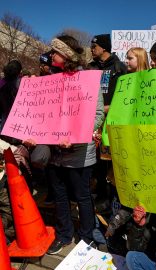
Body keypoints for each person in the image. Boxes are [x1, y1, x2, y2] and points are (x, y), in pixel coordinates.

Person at [38, 34, 105, 255]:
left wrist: (75, 136)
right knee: (59, 195)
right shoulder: (50, 80)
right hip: (55, 152)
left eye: (55, 51)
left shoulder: (87, 79)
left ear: (66, 55)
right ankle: (64, 234)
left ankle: (87, 236)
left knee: (83, 196)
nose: (51, 55)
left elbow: (96, 115)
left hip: (78, 153)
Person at [87, 34, 127, 211]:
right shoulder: (90, 67)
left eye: (94, 46)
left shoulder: (119, 67)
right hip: (92, 120)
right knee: (94, 160)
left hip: (111, 120)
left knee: (109, 160)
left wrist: (106, 108)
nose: (91, 49)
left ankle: (110, 199)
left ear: (103, 47)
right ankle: (97, 193)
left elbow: (125, 96)